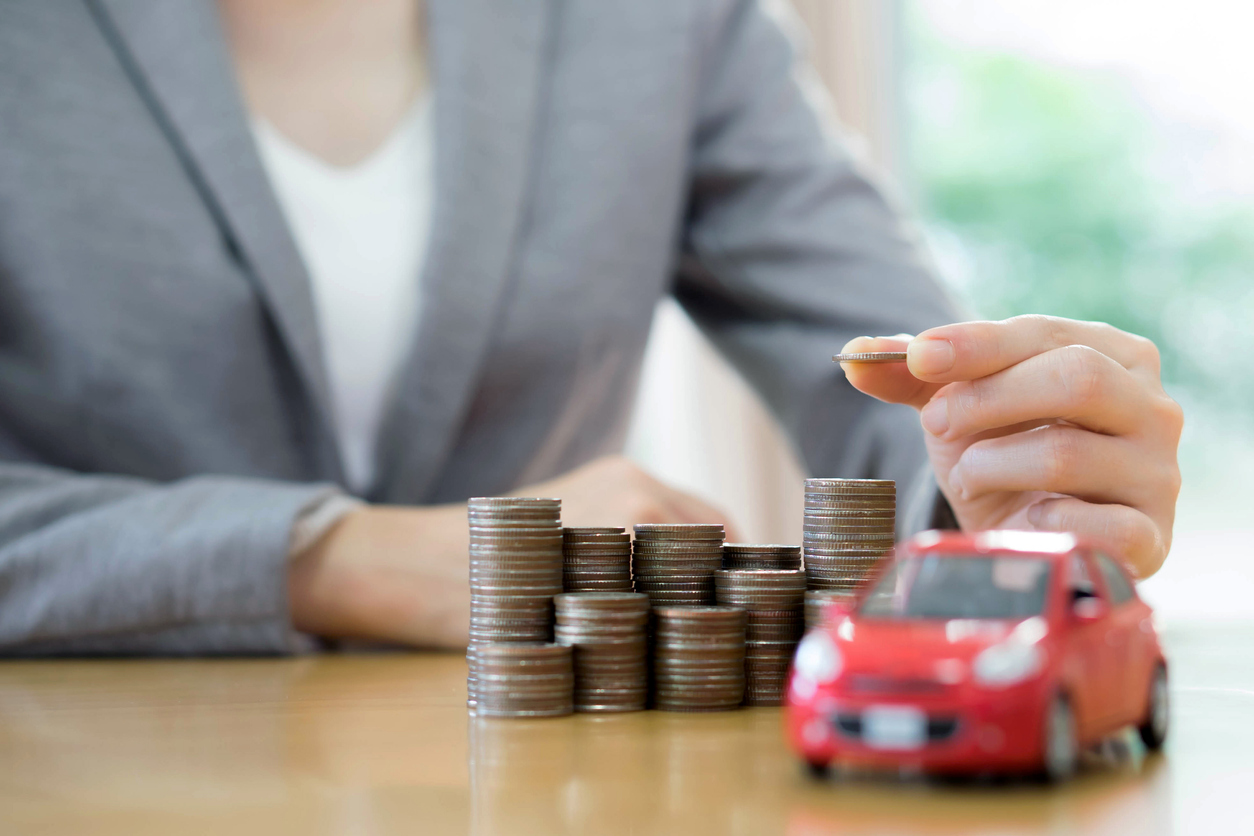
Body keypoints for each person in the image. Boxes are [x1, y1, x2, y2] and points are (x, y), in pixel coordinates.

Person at [0, 0, 1181, 655]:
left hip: (533, 778)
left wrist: (1008, 465)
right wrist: (345, 558)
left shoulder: (667, 24)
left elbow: (889, 359)